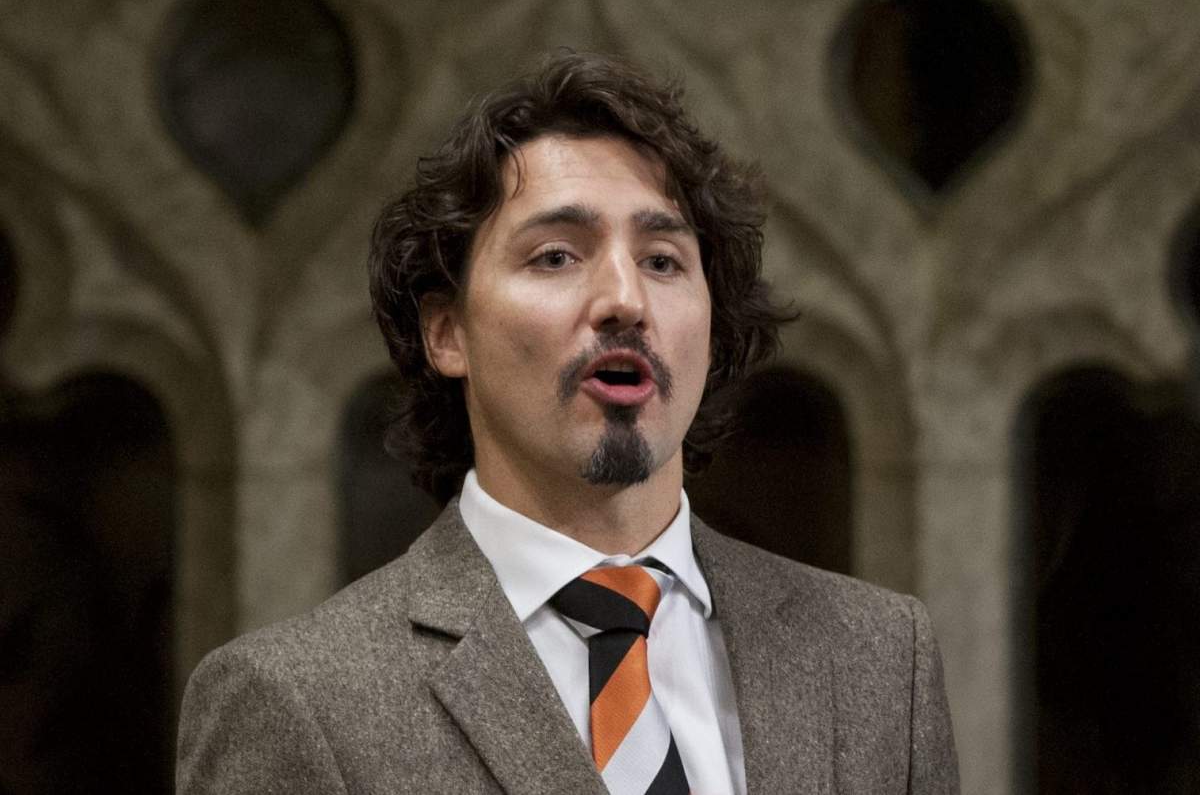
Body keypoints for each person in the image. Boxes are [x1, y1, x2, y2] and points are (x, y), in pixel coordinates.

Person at [176, 51, 959, 794]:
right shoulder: (295, 699)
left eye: (663, 260)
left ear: (714, 327)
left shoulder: (879, 656)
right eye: (556, 256)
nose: (625, 299)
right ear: (446, 332)